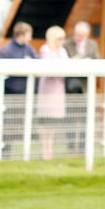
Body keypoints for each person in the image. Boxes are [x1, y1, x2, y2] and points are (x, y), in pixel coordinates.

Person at [0, 21, 39, 158]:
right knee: (6, 125)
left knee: (19, 125)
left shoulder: (29, 49)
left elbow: (38, 63)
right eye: (29, 35)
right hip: (8, 94)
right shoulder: (6, 50)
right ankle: (3, 153)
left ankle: (22, 154)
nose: (30, 38)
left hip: (24, 94)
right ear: (21, 35)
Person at [63, 21, 100, 154]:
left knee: (86, 119)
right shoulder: (66, 44)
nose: (77, 37)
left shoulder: (92, 44)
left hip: (85, 88)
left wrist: (86, 62)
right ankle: (71, 149)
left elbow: (97, 60)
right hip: (71, 87)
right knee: (71, 120)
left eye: (81, 35)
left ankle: (83, 150)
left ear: (86, 35)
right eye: (76, 34)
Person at [37, 26, 69, 160]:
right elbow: (50, 68)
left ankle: (50, 150)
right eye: (60, 38)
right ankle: (44, 150)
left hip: (58, 90)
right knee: (44, 123)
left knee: (53, 123)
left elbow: (67, 67)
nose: (62, 41)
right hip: (47, 90)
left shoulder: (62, 51)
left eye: (63, 38)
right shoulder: (45, 50)